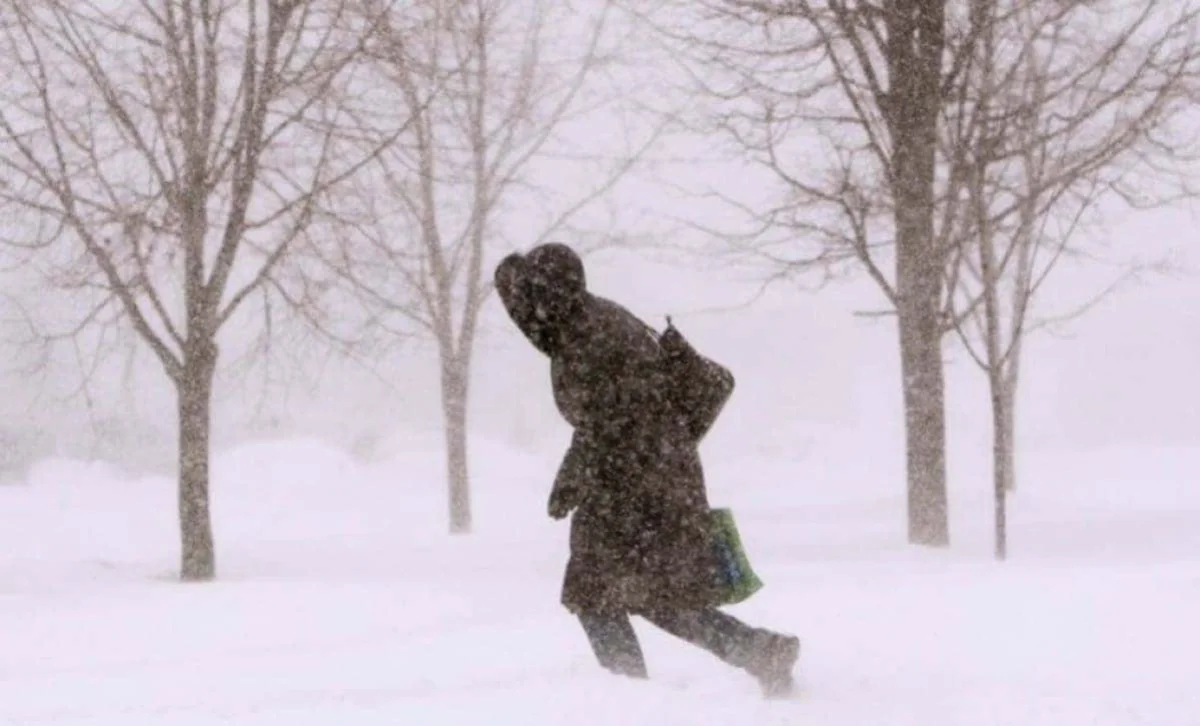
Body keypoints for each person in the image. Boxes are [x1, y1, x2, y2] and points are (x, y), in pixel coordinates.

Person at [493, 242, 800, 698]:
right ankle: (758, 651)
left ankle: (629, 701)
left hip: (639, 482)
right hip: (650, 476)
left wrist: (572, 476)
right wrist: (509, 278)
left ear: (557, 292)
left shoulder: (592, 338)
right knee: (657, 595)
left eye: (538, 294)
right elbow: (538, 330)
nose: (533, 306)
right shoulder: (580, 321)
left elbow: (613, 418)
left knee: (597, 591)